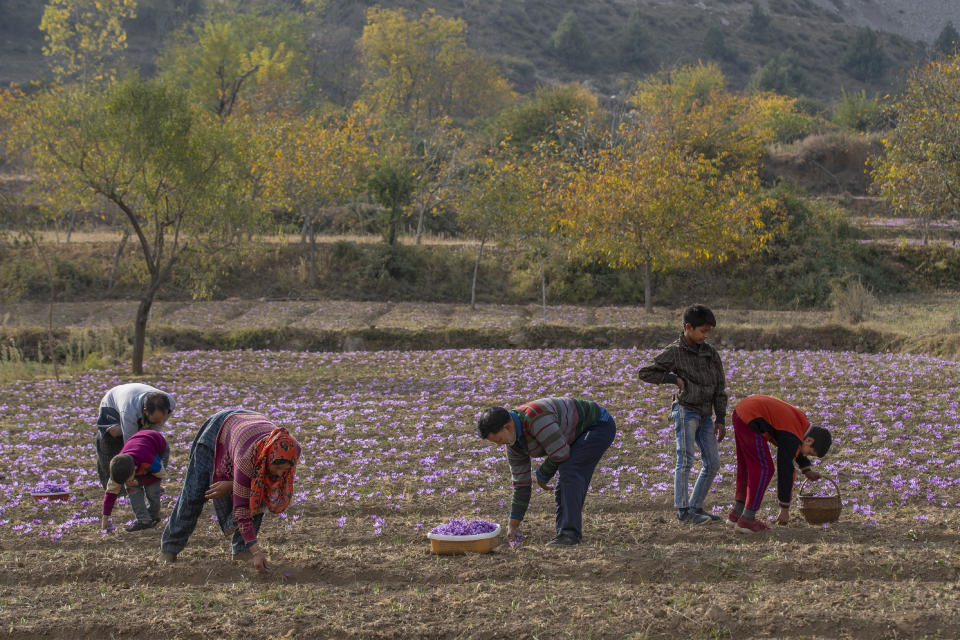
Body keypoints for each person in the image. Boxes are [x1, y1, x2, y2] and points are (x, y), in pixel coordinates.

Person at [160, 409, 301, 573]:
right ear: (267, 458)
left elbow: (260, 485)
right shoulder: (246, 458)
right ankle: (170, 548)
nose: (279, 473)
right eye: (276, 467)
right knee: (195, 493)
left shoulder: (291, 450)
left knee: (260, 493)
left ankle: (242, 550)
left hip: (245, 429)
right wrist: (257, 551)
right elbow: (241, 509)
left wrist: (232, 485)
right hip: (218, 433)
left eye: (284, 470)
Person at [477, 397, 616, 547]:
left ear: (508, 427)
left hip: (596, 425)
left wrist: (542, 474)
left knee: (570, 471)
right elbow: (521, 484)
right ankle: (565, 533)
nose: (499, 444)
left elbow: (560, 453)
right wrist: (513, 524)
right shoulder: (512, 444)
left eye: (498, 439)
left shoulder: (535, 418)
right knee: (565, 478)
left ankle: (569, 535)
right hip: (572, 435)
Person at [638, 304, 728, 524]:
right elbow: (645, 372)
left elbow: (720, 386)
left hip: (706, 415)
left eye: (708, 332)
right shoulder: (675, 351)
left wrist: (721, 419)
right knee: (685, 459)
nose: (705, 336)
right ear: (688, 327)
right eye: (702, 331)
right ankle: (683, 510)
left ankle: (696, 507)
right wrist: (673, 379)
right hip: (686, 411)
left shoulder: (710, 352)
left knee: (713, 463)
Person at [728, 394, 832, 533]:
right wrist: (785, 508)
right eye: (810, 453)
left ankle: (736, 513)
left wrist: (806, 469)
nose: (806, 455)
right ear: (809, 441)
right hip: (751, 418)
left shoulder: (801, 424)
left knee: (747, 466)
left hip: (741, 412)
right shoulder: (793, 435)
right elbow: (785, 469)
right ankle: (747, 519)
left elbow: (796, 447)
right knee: (764, 469)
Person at [95, 383, 175, 490]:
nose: (159, 422)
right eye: (155, 420)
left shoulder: (170, 404)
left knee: (146, 443)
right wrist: (131, 472)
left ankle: (146, 482)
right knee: (115, 434)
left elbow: (153, 433)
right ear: (146, 411)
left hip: (132, 401)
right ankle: (116, 485)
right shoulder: (129, 412)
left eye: (161, 419)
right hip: (112, 404)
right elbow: (131, 446)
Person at [100, 429, 170, 532]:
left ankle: (153, 517)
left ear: (134, 470)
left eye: (127, 479)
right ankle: (144, 521)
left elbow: (159, 475)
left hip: (157, 447)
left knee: (152, 491)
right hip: (137, 451)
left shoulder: (149, 461)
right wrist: (105, 517)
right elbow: (110, 493)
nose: (126, 482)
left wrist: (141, 482)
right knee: (132, 489)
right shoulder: (117, 468)